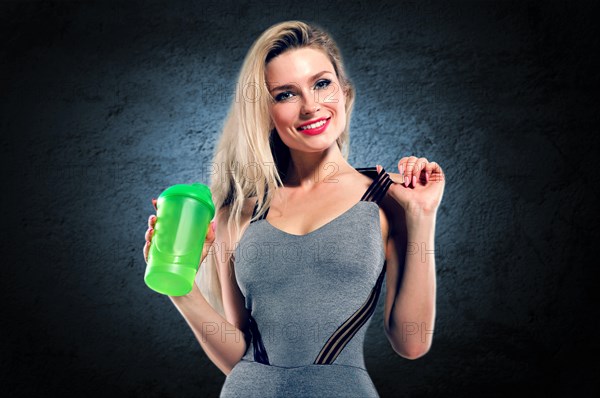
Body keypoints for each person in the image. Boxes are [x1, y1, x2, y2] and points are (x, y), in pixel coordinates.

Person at [143, 20, 445, 397]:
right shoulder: (236, 214)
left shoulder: (391, 199)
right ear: (265, 112)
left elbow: (411, 343)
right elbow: (241, 356)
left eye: (321, 84)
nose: (310, 106)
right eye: (286, 94)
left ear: (344, 92)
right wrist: (181, 289)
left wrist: (422, 216)